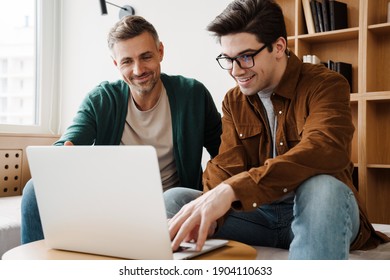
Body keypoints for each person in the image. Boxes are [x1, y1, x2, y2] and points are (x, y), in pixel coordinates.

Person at [166, 0, 390, 259]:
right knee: (176, 200)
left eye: (246, 57)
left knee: (323, 188)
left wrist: (234, 190)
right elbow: (227, 165)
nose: (235, 71)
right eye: (228, 59)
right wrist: (212, 205)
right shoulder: (234, 101)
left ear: (279, 47)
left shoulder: (326, 84)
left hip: (316, 212)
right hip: (258, 216)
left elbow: (324, 149)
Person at [21, 15, 222, 244]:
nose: (138, 70)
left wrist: (212, 192)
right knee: (34, 189)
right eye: (127, 61)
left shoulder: (192, 94)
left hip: (171, 207)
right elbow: (68, 144)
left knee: (173, 199)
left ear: (160, 52)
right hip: (112, 206)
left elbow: (225, 152)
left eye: (146, 57)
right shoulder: (102, 99)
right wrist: (65, 156)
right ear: (116, 64)